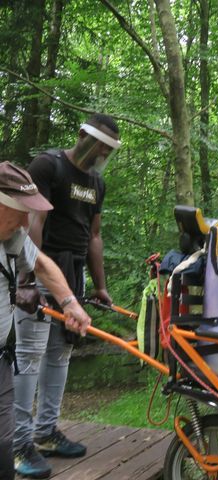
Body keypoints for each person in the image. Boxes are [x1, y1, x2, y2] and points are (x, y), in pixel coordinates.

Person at [12, 114, 120, 479]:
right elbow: (32, 222)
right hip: (40, 273)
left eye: (108, 151)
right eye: (100, 146)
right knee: (29, 355)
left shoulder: (97, 183)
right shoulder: (48, 166)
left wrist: (100, 286)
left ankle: (45, 433)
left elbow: (93, 236)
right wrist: (26, 278)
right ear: (81, 136)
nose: (102, 154)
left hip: (73, 278)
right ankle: (18, 443)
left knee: (61, 354)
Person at [0, 162, 91, 480]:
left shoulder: (10, 237)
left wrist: (70, 304)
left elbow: (42, 264)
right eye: (21, 211)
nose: (27, 221)